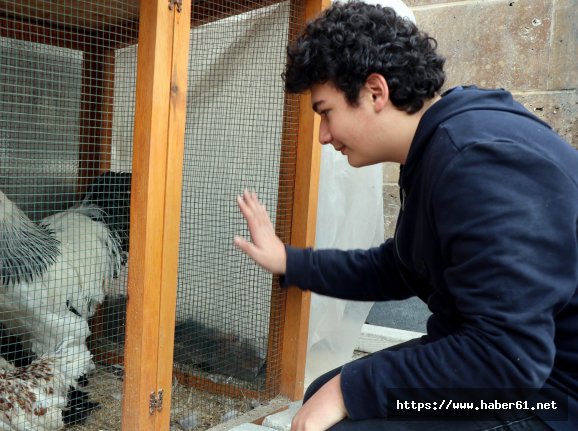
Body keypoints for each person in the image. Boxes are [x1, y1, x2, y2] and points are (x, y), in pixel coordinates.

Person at [233, 1, 578, 430]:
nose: (323, 136)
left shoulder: (479, 160)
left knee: (342, 417)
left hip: (551, 396)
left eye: (325, 112)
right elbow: (398, 267)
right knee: (322, 389)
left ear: (376, 92)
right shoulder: (440, 146)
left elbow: (507, 356)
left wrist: (350, 391)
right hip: (515, 371)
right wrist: (290, 261)